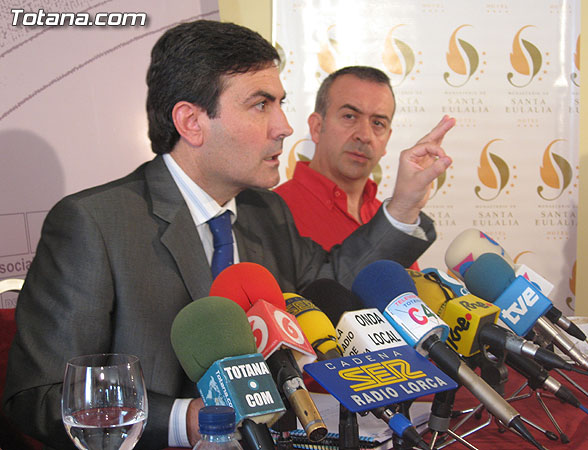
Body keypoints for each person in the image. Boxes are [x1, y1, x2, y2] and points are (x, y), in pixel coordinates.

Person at [1, 20, 451, 450]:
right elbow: (39, 398)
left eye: (279, 103)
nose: (284, 127)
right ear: (192, 122)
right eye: (261, 105)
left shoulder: (266, 211)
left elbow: (334, 284)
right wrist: (188, 420)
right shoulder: (92, 223)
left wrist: (404, 204)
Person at [275, 66, 455, 264]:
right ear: (317, 127)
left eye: (378, 123)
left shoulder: (393, 218)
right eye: (349, 117)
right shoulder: (273, 214)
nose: (365, 135)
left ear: (387, 139)